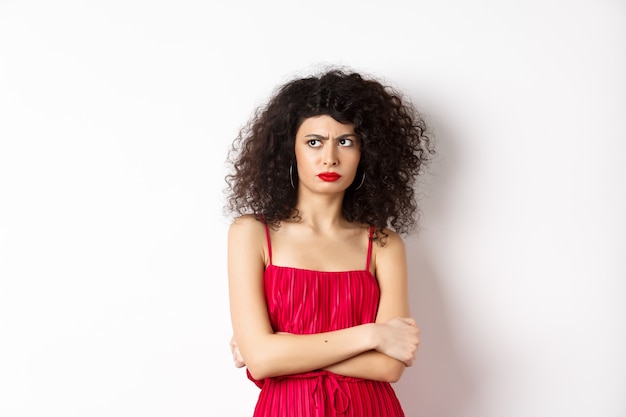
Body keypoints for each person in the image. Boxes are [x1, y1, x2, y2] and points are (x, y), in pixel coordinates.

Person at [224, 67, 434, 416]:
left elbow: (389, 367)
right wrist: (372, 335)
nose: (330, 157)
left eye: (345, 141)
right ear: (289, 149)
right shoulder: (251, 233)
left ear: (366, 153)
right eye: (314, 142)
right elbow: (261, 362)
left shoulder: (383, 244)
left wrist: (284, 349)